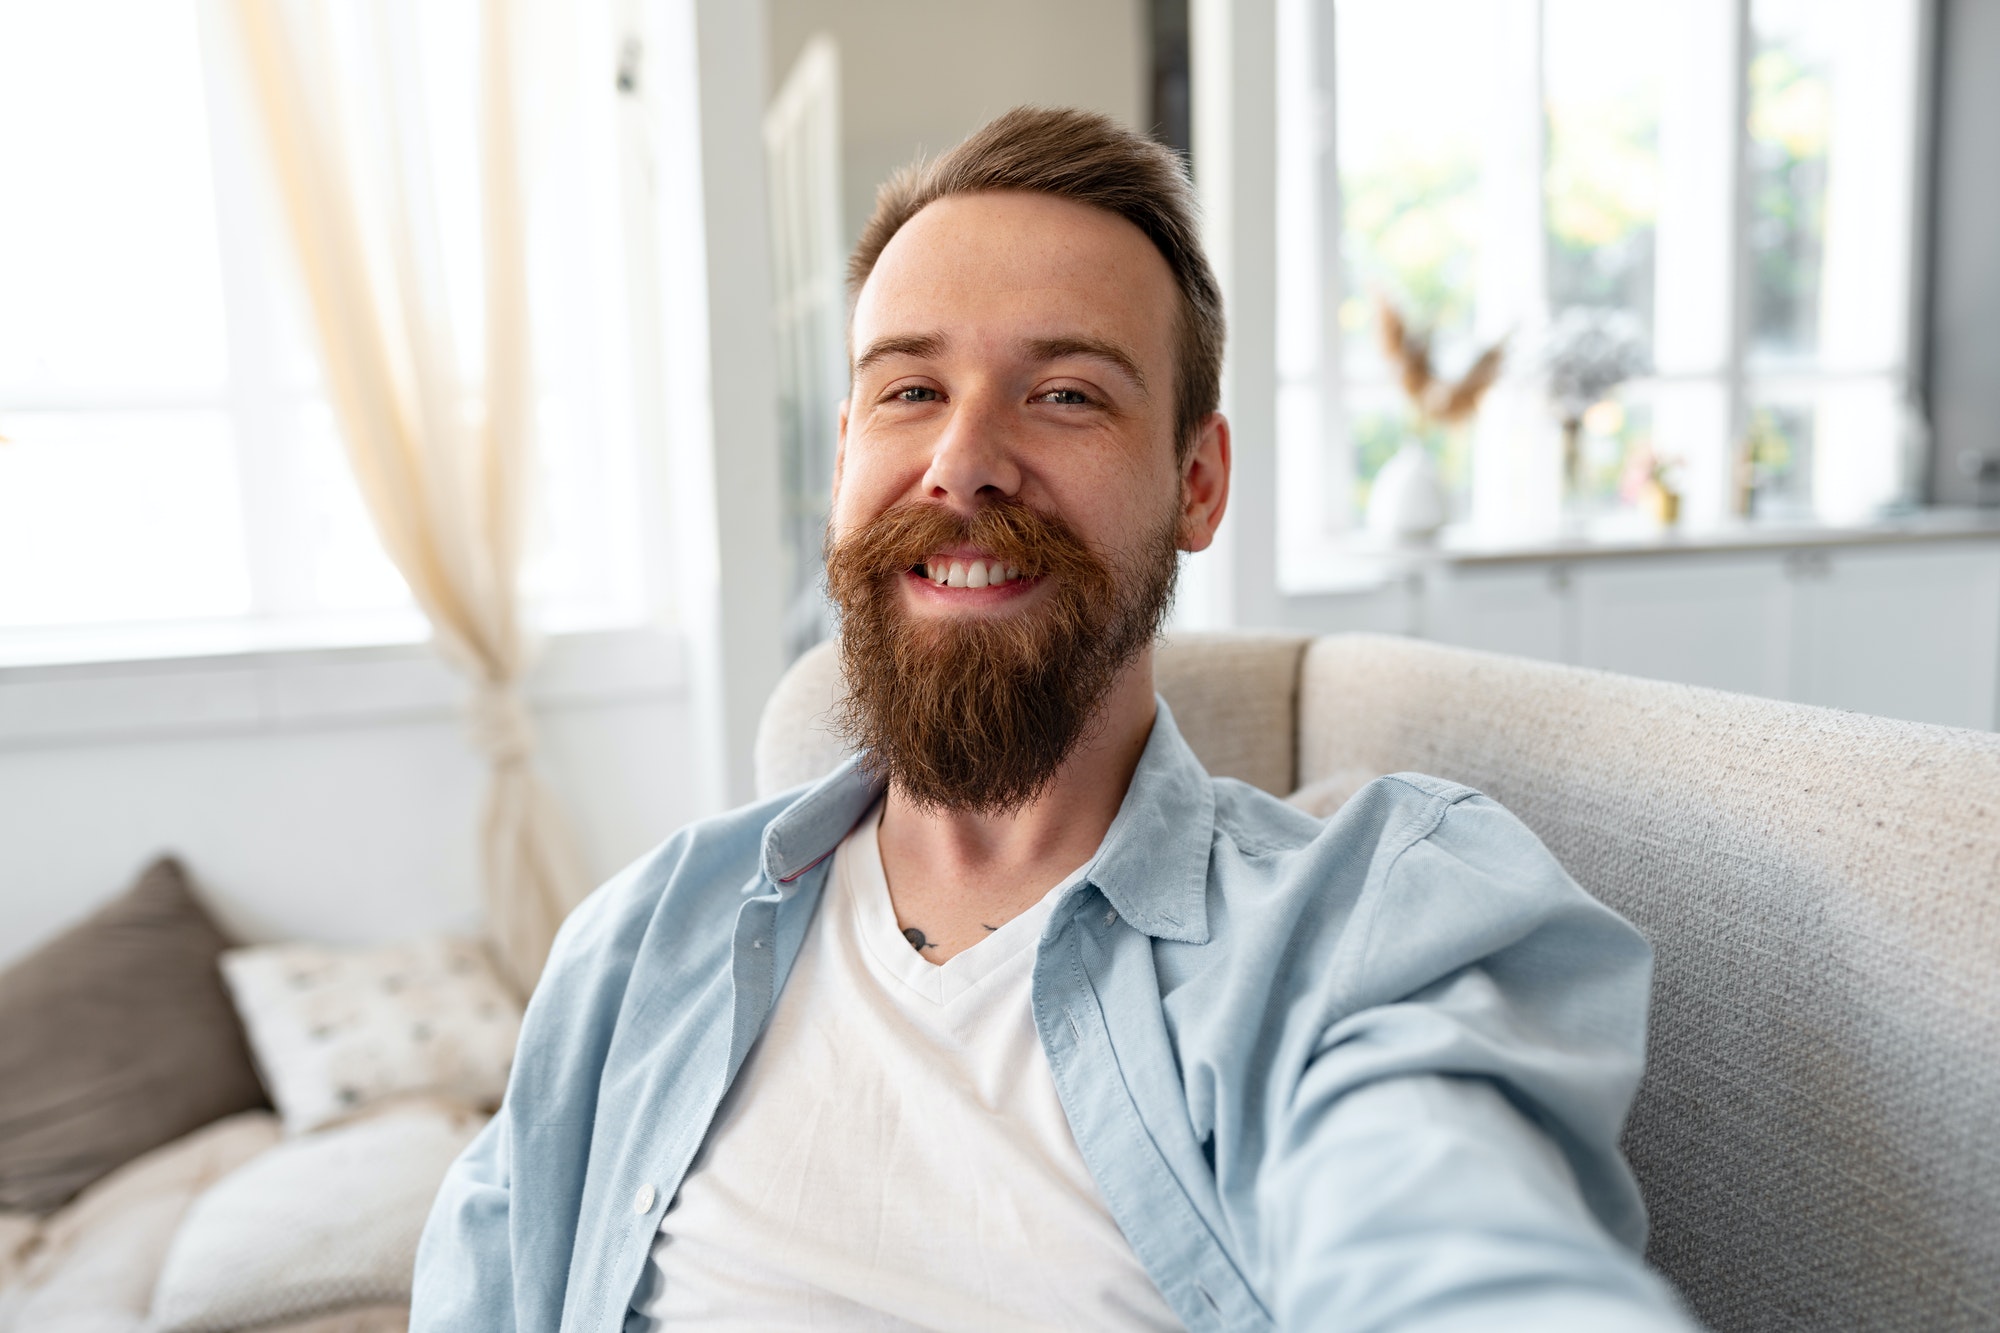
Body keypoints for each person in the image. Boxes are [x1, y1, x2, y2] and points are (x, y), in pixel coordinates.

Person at [412, 107, 1696, 1331]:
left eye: (1066, 393)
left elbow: (1440, 1227)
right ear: (845, 455)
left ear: (1196, 483)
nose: (961, 459)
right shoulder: (639, 944)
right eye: (908, 391)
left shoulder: (1356, 929)